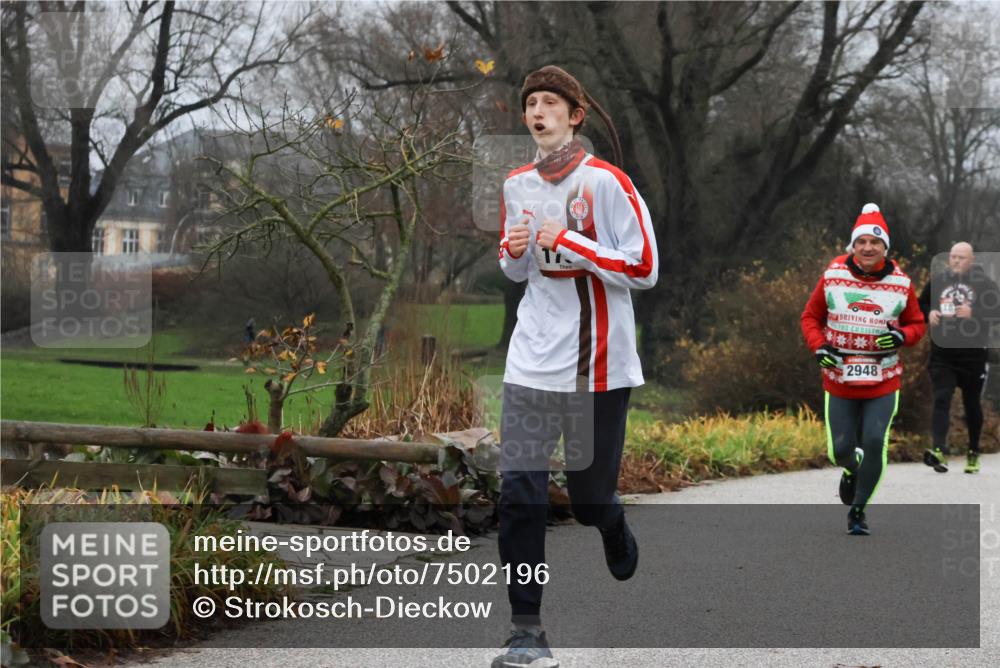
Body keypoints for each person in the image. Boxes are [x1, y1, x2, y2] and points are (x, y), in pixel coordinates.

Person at [493, 65, 658, 668]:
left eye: (549, 103)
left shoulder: (609, 184)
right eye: (530, 103)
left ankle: (608, 518)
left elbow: (643, 269)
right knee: (520, 493)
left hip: (597, 365)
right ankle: (526, 631)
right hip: (532, 359)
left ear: (575, 115)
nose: (537, 112)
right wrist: (512, 254)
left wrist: (572, 241)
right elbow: (518, 270)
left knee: (586, 499)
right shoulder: (515, 184)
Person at [801, 204, 926, 536]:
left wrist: (902, 335)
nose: (868, 248)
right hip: (839, 375)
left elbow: (917, 324)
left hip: (883, 378)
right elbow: (810, 318)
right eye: (862, 242)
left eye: (875, 242)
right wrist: (820, 347)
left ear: (886, 248)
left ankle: (858, 510)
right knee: (838, 450)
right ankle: (851, 469)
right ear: (852, 246)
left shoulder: (900, 283)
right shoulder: (833, 275)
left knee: (874, 440)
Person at [918, 242, 1000, 474]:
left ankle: (973, 451)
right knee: (942, 397)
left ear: (972, 260)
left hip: (973, 355)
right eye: (953, 256)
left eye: (961, 257)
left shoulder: (984, 285)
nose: (955, 261)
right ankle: (938, 450)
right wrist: (929, 313)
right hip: (943, 354)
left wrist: (974, 313)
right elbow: (920, 303)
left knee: (971, 403)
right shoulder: (939, 280)